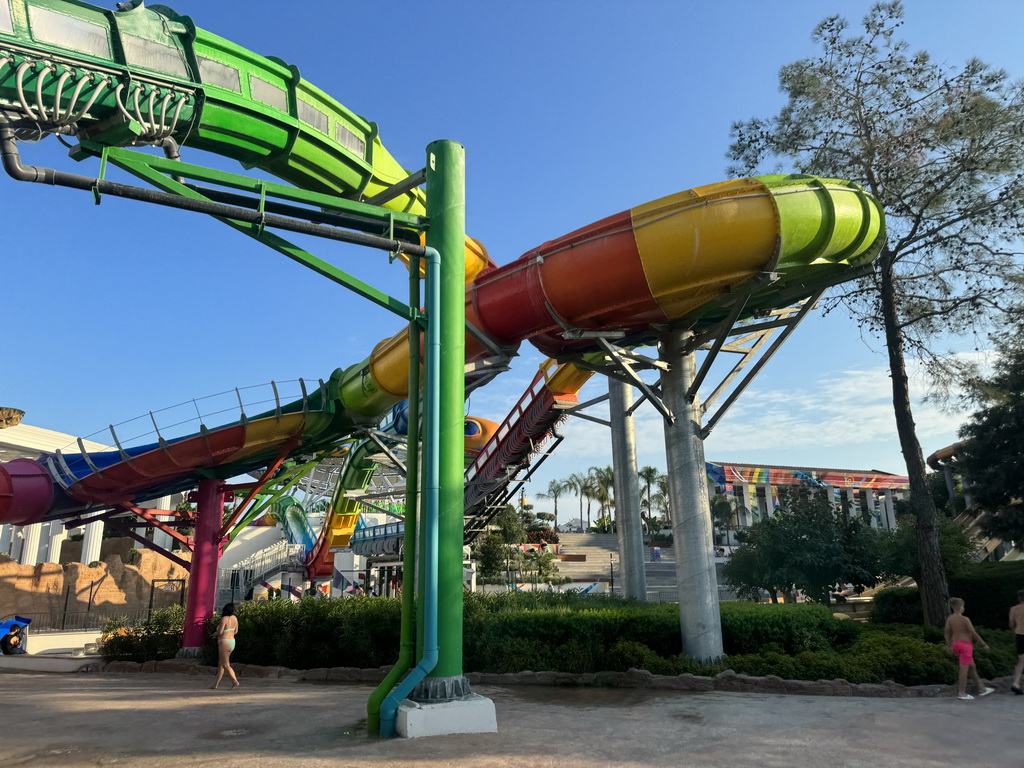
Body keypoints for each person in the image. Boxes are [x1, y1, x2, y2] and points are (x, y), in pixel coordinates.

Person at [944, 597, 995, 700]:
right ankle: (962, 692)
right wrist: (983, 644)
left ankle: (982, 688)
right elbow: (973, 632)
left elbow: (947, 632)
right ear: (961, 607)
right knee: (964, 669)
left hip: (956, 644)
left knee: (972, 667)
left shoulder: (950, 619)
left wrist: (949, 645)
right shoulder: (965, 619)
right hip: (966, 645)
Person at [211, 603, 240, 690]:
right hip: (232, 641)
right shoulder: (234, 618)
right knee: (221, 663)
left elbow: (220, 632)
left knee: (226, 664)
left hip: (224, 642)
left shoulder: (224, 619)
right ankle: (216, 684)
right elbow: (236, 631)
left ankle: (235, 681)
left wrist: (214, 634)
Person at [1009, 589, 1024, 695]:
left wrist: (1014, 631)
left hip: (1020, 635)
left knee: (1021, 660)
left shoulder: (1014, 609)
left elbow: (1011, 623)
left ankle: (1016, 682)